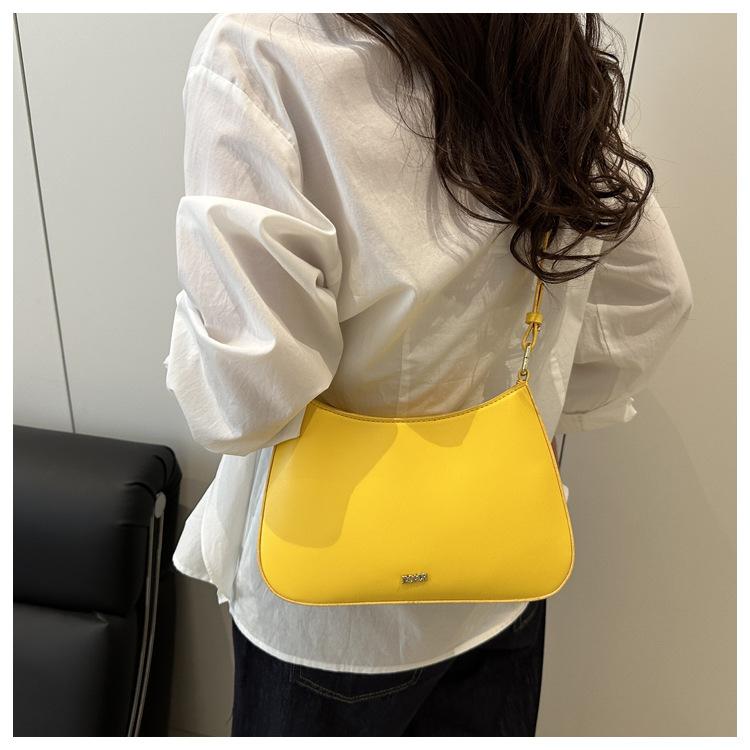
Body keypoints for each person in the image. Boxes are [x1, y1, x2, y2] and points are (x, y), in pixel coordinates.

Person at [162, 13, 694, 737]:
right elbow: (657, 294)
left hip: (329, 611)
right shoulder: (538, 38)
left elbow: (248, 392)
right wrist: (522, 407)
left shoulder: (263, 47)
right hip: (496, 576)